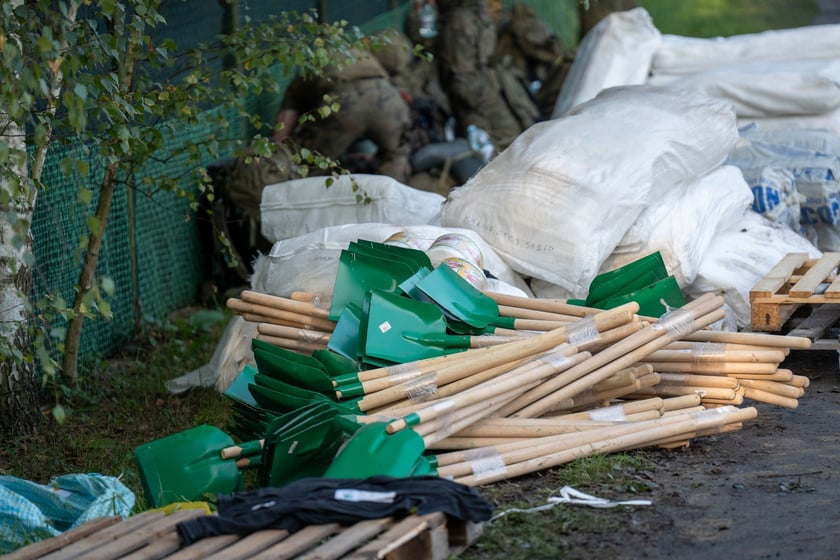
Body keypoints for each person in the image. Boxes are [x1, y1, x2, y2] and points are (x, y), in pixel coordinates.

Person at [273, 47, 413, 183]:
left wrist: (276, 150)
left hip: (345, 103)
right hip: (389, 98)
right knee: (396, 158)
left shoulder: (310, 67)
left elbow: (287, 117)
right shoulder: (359, 53)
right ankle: (393, 199)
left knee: (310, 164)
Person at [434, 0, 531, 151]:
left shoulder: (476, 12)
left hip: (482, 85)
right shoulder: (460, 22)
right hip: (473, 97)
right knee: (494, 147)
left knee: (513, 138)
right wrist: (484, 99)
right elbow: (461, 78)